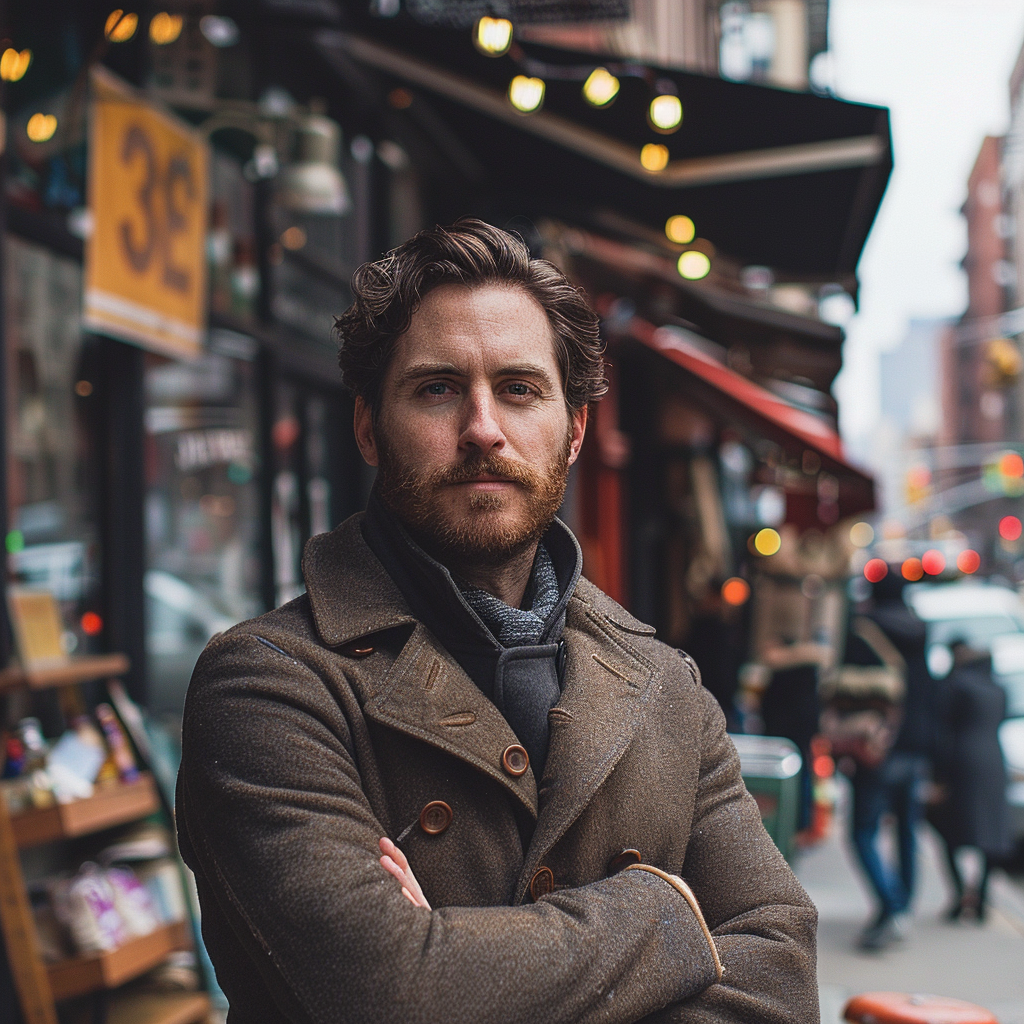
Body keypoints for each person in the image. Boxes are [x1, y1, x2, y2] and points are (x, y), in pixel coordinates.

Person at [176, 220, 817, 1023]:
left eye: (519, 388)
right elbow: (392, 994)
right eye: (437, 387)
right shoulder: (268, 685)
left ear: (575, 428)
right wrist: (664, 914)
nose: (483, 428)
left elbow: (782, 971)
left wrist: (453, 956)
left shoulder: (664, 688)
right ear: (369, 425)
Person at [841, 570, 932, 951]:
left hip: (877, 745)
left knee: (862, 831)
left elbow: (843, 684)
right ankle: (902, 905)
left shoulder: (864, 629)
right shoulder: (920, 630)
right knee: (907, 830)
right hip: (915, 745)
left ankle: (892, 906)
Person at [931, 640, 1011, 922]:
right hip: (993, 761)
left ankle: (959, 894)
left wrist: (938, 775)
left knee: (949, 831)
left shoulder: (956, 685)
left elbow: (943, 729)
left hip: (962, 762)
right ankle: (982, 896)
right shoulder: (999, 689)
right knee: (990, 834)